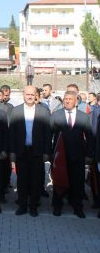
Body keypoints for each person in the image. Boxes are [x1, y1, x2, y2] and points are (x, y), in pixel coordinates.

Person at [51, 90, 94, 218]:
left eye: (70, 99)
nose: (67, 101)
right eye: (65, 99)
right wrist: (49, 152)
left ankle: (77, 207)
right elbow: (49, 134)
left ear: (76, 101)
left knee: (78, 182)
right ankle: (57, 206)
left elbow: (90, 136)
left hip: (78, 156)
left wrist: (89, 154)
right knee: (59, 180)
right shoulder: (56, 115)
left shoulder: (84, 116)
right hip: (60, 156)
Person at [9, 85, 52, 217]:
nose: (29, 96)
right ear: (23, 95)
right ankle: (22, 205)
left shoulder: (43, 111)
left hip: (37, 151)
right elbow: (12, 133)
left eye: (32, 94)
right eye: (27, 94)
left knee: (35, 180)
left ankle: (33, 206)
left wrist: (46, 152)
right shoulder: (16, 111)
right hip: (21, 151)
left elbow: (47, 133)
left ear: (36, 96)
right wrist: (12, 152)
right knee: (21, 180)